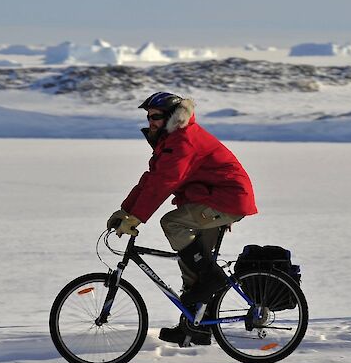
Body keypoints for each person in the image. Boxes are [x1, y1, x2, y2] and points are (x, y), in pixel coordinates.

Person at [108, 92, 257, 346]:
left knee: (172, 223)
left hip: (226, 200)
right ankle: (194, 326)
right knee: (192, 267)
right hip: (217, 200)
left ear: (169, 117)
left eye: (155, 116)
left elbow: (165, 182)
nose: (150, 121)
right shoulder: (171, 140)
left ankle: (213, 279)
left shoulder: (183, 140)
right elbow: (151, 179)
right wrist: (126, 210)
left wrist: (136, 218)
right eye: (148, 117)